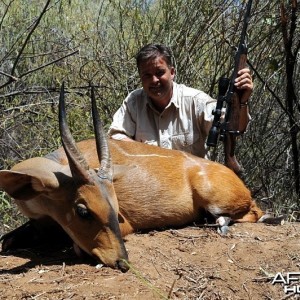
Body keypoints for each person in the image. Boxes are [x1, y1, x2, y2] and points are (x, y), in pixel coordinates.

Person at [108, 43, 253, 158]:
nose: (154, 80)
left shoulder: (196, 101)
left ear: (172, 73)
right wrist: (147, 156)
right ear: (141, 78)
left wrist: (242, 101)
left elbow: (235, 129)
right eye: (147, 75)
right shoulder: (134, 102)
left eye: (159, 73)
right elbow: (115, 137)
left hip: (192, 187)